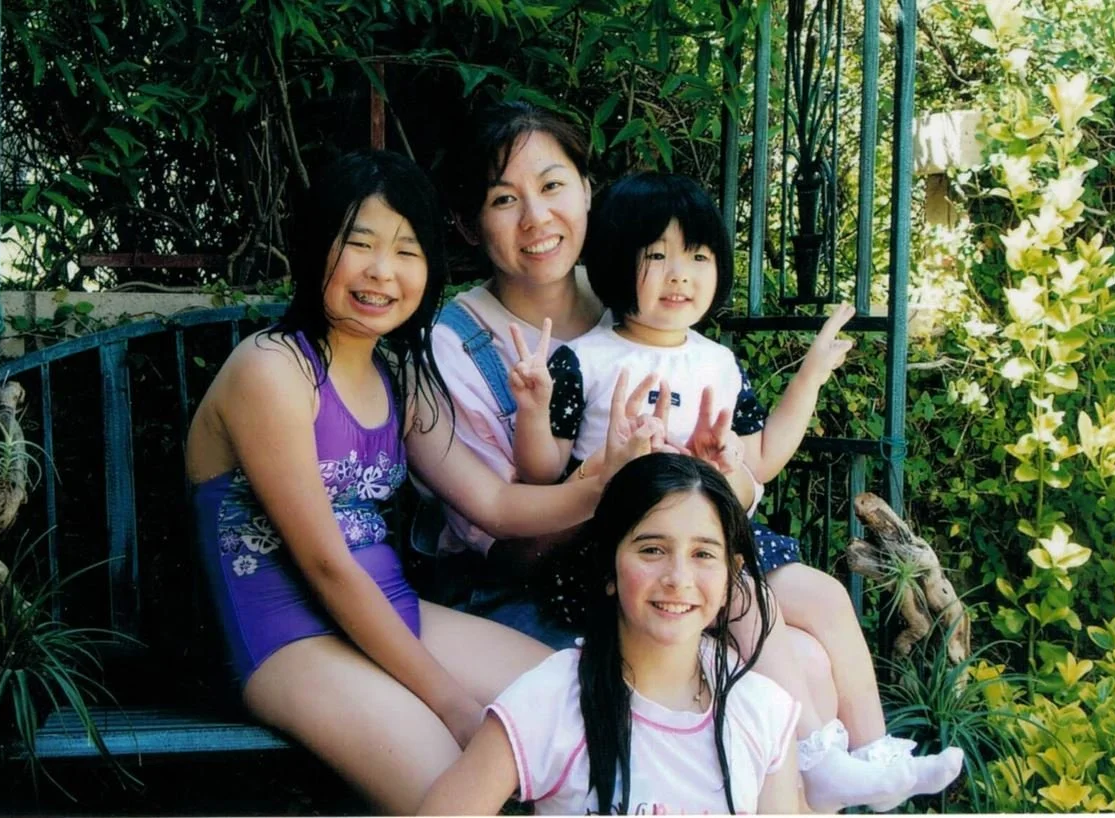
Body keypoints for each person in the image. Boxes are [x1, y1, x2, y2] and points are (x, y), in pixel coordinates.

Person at [187, 150, 653, 814]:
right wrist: (452, 703)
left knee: (589, 699)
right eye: (360, 244)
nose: (382, 271)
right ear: (317, 246)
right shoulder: (271, 369)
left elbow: (491, 502)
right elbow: (324, 564)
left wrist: (601, 482)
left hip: (392, 615)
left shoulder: (397, 377)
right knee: (462, 795)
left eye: (407, 250)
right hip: (288, 637)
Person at [506, 170, 965, 812]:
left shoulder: (717, 363)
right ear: (614, 262)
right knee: (757, 614)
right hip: (636, 556)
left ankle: (875, 756)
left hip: (725, 540)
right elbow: (538, 470)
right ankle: (815, 755)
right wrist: (534, 408)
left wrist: (806, 378)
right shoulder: (586, 360)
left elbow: (762, 460)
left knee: (828, 596)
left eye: (697, 256)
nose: (680, 275)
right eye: (657, 256)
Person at [419, 453, 802, 815]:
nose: (678, 579)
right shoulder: (549, 701)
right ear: (607, 568)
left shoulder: (761, 712)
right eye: (652, 550)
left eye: (703, 554)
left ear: (731, 575)